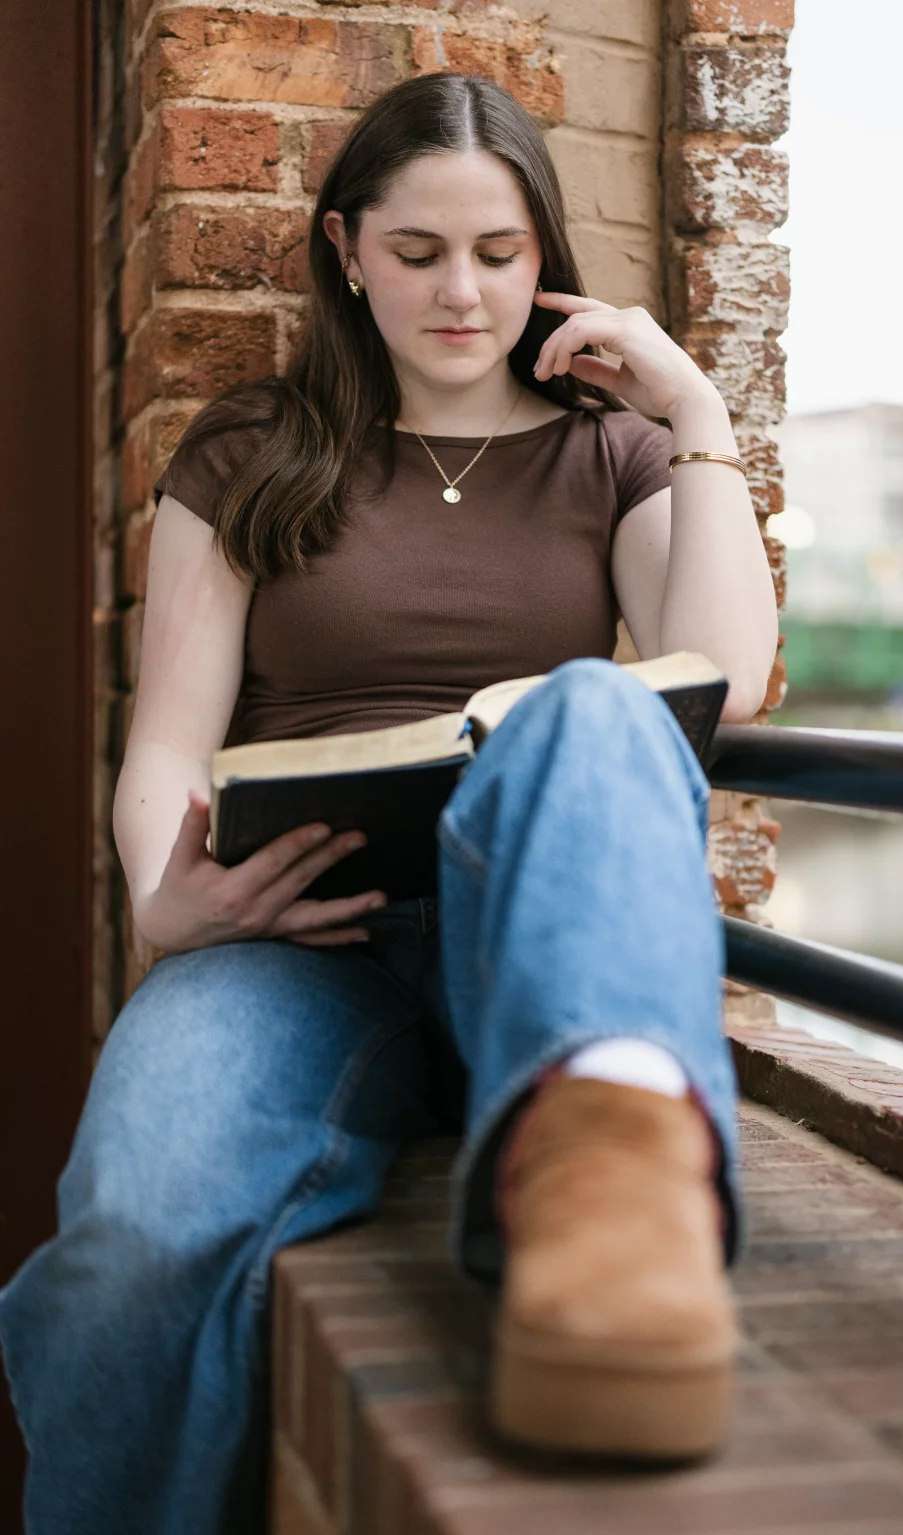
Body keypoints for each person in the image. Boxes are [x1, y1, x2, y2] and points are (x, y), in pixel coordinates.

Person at [0, 71, 778, 1534]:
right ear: (348, 250)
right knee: (130, 1239)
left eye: (498, 252)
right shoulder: (250, 448)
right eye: (417, 252)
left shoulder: (611, 453)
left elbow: (726, 681)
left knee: (594, 704)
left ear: (543, 260)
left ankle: (617, 1199)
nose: (461, 292)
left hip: (533, 932)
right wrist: (164, 899)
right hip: (294, 941)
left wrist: (691, 408)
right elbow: (166, 738)